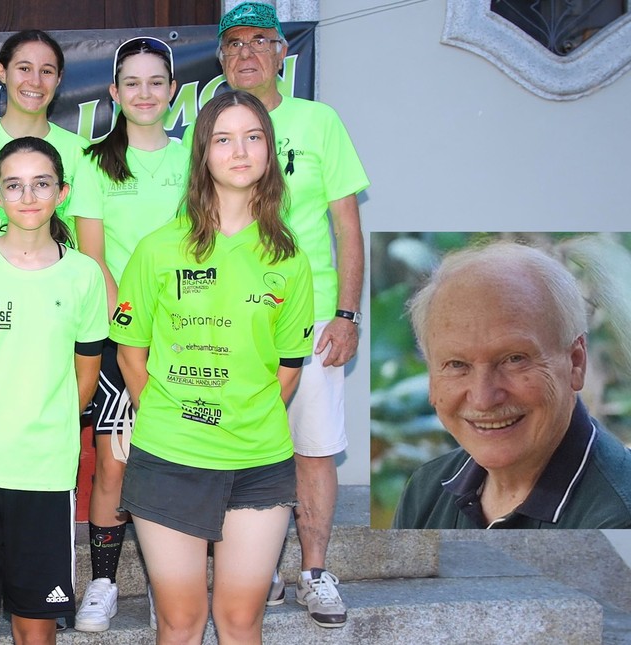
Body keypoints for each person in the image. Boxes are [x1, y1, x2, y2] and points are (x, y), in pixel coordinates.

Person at [188, 2, 369, 627]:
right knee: (236, 447)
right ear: (220, 57)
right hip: (232, 321)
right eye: (233, 43)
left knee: (313, 448)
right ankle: (253, 571)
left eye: (259, 41)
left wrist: (347, 314)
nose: (246, 53)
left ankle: (315, 572)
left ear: (281, 52)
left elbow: (347, 227)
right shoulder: (208, 127)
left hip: (311, 318)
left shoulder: (319, 122)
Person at [111, 90, 313, 644]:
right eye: (223, 138)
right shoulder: (157, 249)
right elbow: (131, 352)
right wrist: (168, 416)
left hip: (258, 460)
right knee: (180, 621)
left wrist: (243, 417)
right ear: (202, 153)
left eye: (253, 137)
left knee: (242, 620)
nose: (239, 151)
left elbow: (288, 366)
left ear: (269, 151)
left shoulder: (289, 259)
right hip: (169, 456)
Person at [0, 137, 107, 645]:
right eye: (14, 185)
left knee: (36, 626)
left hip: (44, 473)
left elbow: (85, 378)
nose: (27, 196)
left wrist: (43, 426)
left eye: (41, 184)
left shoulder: (84, 276)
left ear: (62, 193)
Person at [73, 36, 187, 633]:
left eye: (156, 82)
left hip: (189, 334)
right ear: (114, 92)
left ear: (173, 91)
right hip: (120, 340)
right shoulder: (93, 163)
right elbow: (93, 258)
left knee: (185, 459)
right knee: (113, 463)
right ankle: (103, 583)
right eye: (133, 83)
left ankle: (181, 583)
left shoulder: (196, 158)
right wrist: (129, 332)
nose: (145, 93)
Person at [394, 241, 631, 529]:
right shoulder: (425, 490)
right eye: (457, 365)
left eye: (514, 359)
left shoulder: (618, 519)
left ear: (575, 362)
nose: (483, 398)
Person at [0, 30, 109, 296]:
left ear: (59, 78)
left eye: (46, 71)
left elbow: (90, 252)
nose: (35, 81)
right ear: (2, 72)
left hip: (62, 295)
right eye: (24, 68)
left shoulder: (82, 151)